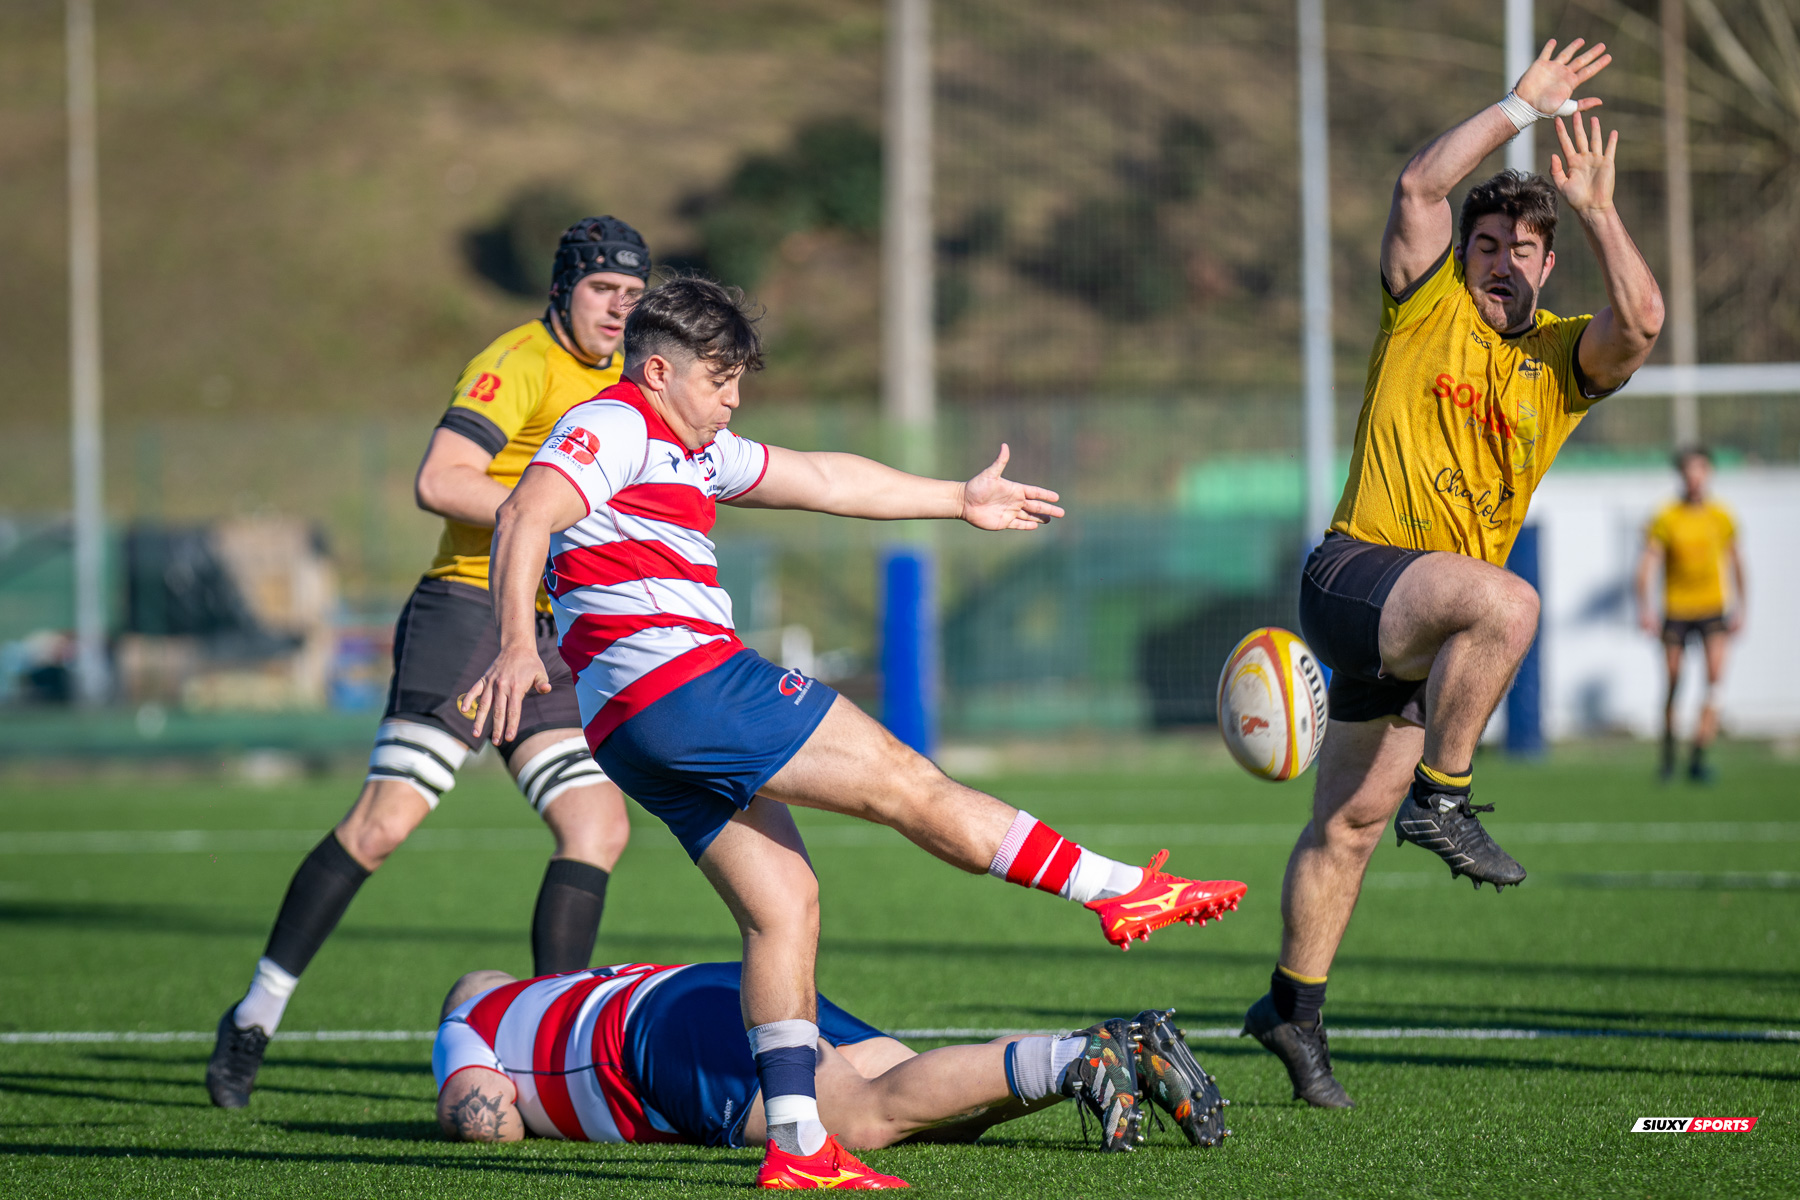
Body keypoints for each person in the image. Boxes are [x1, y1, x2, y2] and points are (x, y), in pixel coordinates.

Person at [462, 276, 1247, 1188]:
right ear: (658, 371)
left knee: (783, 907)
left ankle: (798, 1146)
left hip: (632, 727)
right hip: (688, 684)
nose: (733, 399)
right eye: (719, 380)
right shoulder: (617, 423)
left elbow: (827, 479)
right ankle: (1116, 889)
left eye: (738, 380)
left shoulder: (692, 449)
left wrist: (958, 499)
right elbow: (524, 510)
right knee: (907, 783)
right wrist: (515, 643)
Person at [1242, 37, 1664, 1108]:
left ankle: (1291, 1010)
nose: (1502, 261)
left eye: (1524, 248)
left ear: (1547, 265)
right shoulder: (1423, 301)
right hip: (1356, 576)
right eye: (1487, 244)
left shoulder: (1561, 359)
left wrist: (1601, 211)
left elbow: (1645, 323)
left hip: (1426, 632)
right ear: (1462, 254)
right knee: (1509, 602)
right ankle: (1447, 797)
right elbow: (1418, 186)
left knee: (1347, 826)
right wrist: (1520, 106)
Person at [207, 218, 654, 1110]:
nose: (618, 309)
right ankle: (255, 1014)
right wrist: (555, 510)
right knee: (382, 827)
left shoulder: (631, 383)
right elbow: (442, 479)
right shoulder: (519, 360)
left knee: (598, 827)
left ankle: (548, 1049)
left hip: (549, 626)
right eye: (603, 290)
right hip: (468, 611)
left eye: (633, 296)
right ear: (562, 288)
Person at [431, 962, 1229, 1177]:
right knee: (925, 1106)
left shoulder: (469, 1020)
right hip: (705, 989)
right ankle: (1115, 1046)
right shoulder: (549, 989)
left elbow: (480, 1117)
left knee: (860, 1120)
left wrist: (461, 1086)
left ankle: (1076, 1062)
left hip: (655, 1042)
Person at [1636, 446, 1744, 783]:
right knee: (1674, 682)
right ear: (1681, 476)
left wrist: (1742, 607)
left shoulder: (1721, 516)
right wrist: (1645, 607)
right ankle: (1669, 757)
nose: (1695, 478)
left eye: (1701, 470)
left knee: (1714, 683)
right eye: (1689, 471)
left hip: (1713, 608)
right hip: (1677, 610)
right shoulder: (1667, 516)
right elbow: (1648, 564)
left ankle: (1698, 755)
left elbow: (1737, 563)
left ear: (1709, 473)